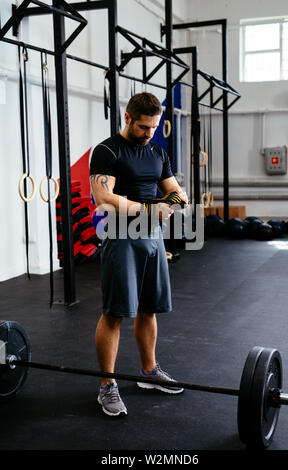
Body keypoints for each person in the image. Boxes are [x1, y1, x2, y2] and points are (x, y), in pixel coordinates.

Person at [89, 92, 188, 417]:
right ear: (128, 118)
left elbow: (176, 193)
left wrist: (169, 206)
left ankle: (149, 372)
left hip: (153, 237)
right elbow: (103, 197)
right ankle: (107, 386)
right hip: (122, 236)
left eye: (154, 127)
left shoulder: (158, 152)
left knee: (150, 308)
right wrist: (150, 208)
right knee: (115, 313)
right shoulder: (107, 150)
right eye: (144, 127)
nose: (149, 134)